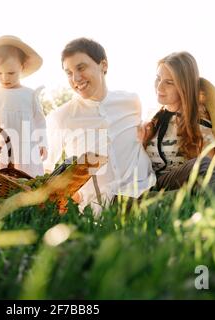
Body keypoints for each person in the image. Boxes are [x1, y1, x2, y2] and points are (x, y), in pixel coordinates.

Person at [45, 38, 156, 215]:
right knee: (175, 201)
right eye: (69, 73)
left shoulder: (131, 101)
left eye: (81, 68)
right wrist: (73, 196)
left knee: (202, 167)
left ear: (103, 65)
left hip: (150, 185)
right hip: (108, 205)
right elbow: (47, 170)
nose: (76, 78)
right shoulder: (62, 117)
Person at [138, 51, 215, 199]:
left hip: (182, 185)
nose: (159, 87)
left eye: (169, 82)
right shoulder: (152, 119)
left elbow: (211, 170)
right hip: (152, 186)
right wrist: (141, 143)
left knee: (203, 166)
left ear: (184, 86)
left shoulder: (198, 119)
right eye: (158, 79)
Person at [0, 35, 48, 178]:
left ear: (22, 67)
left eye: (11, 73)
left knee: (26, 177)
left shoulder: (30, 94)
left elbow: (40, 122)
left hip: (25, 147)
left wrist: (42, 143)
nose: (5, 78)